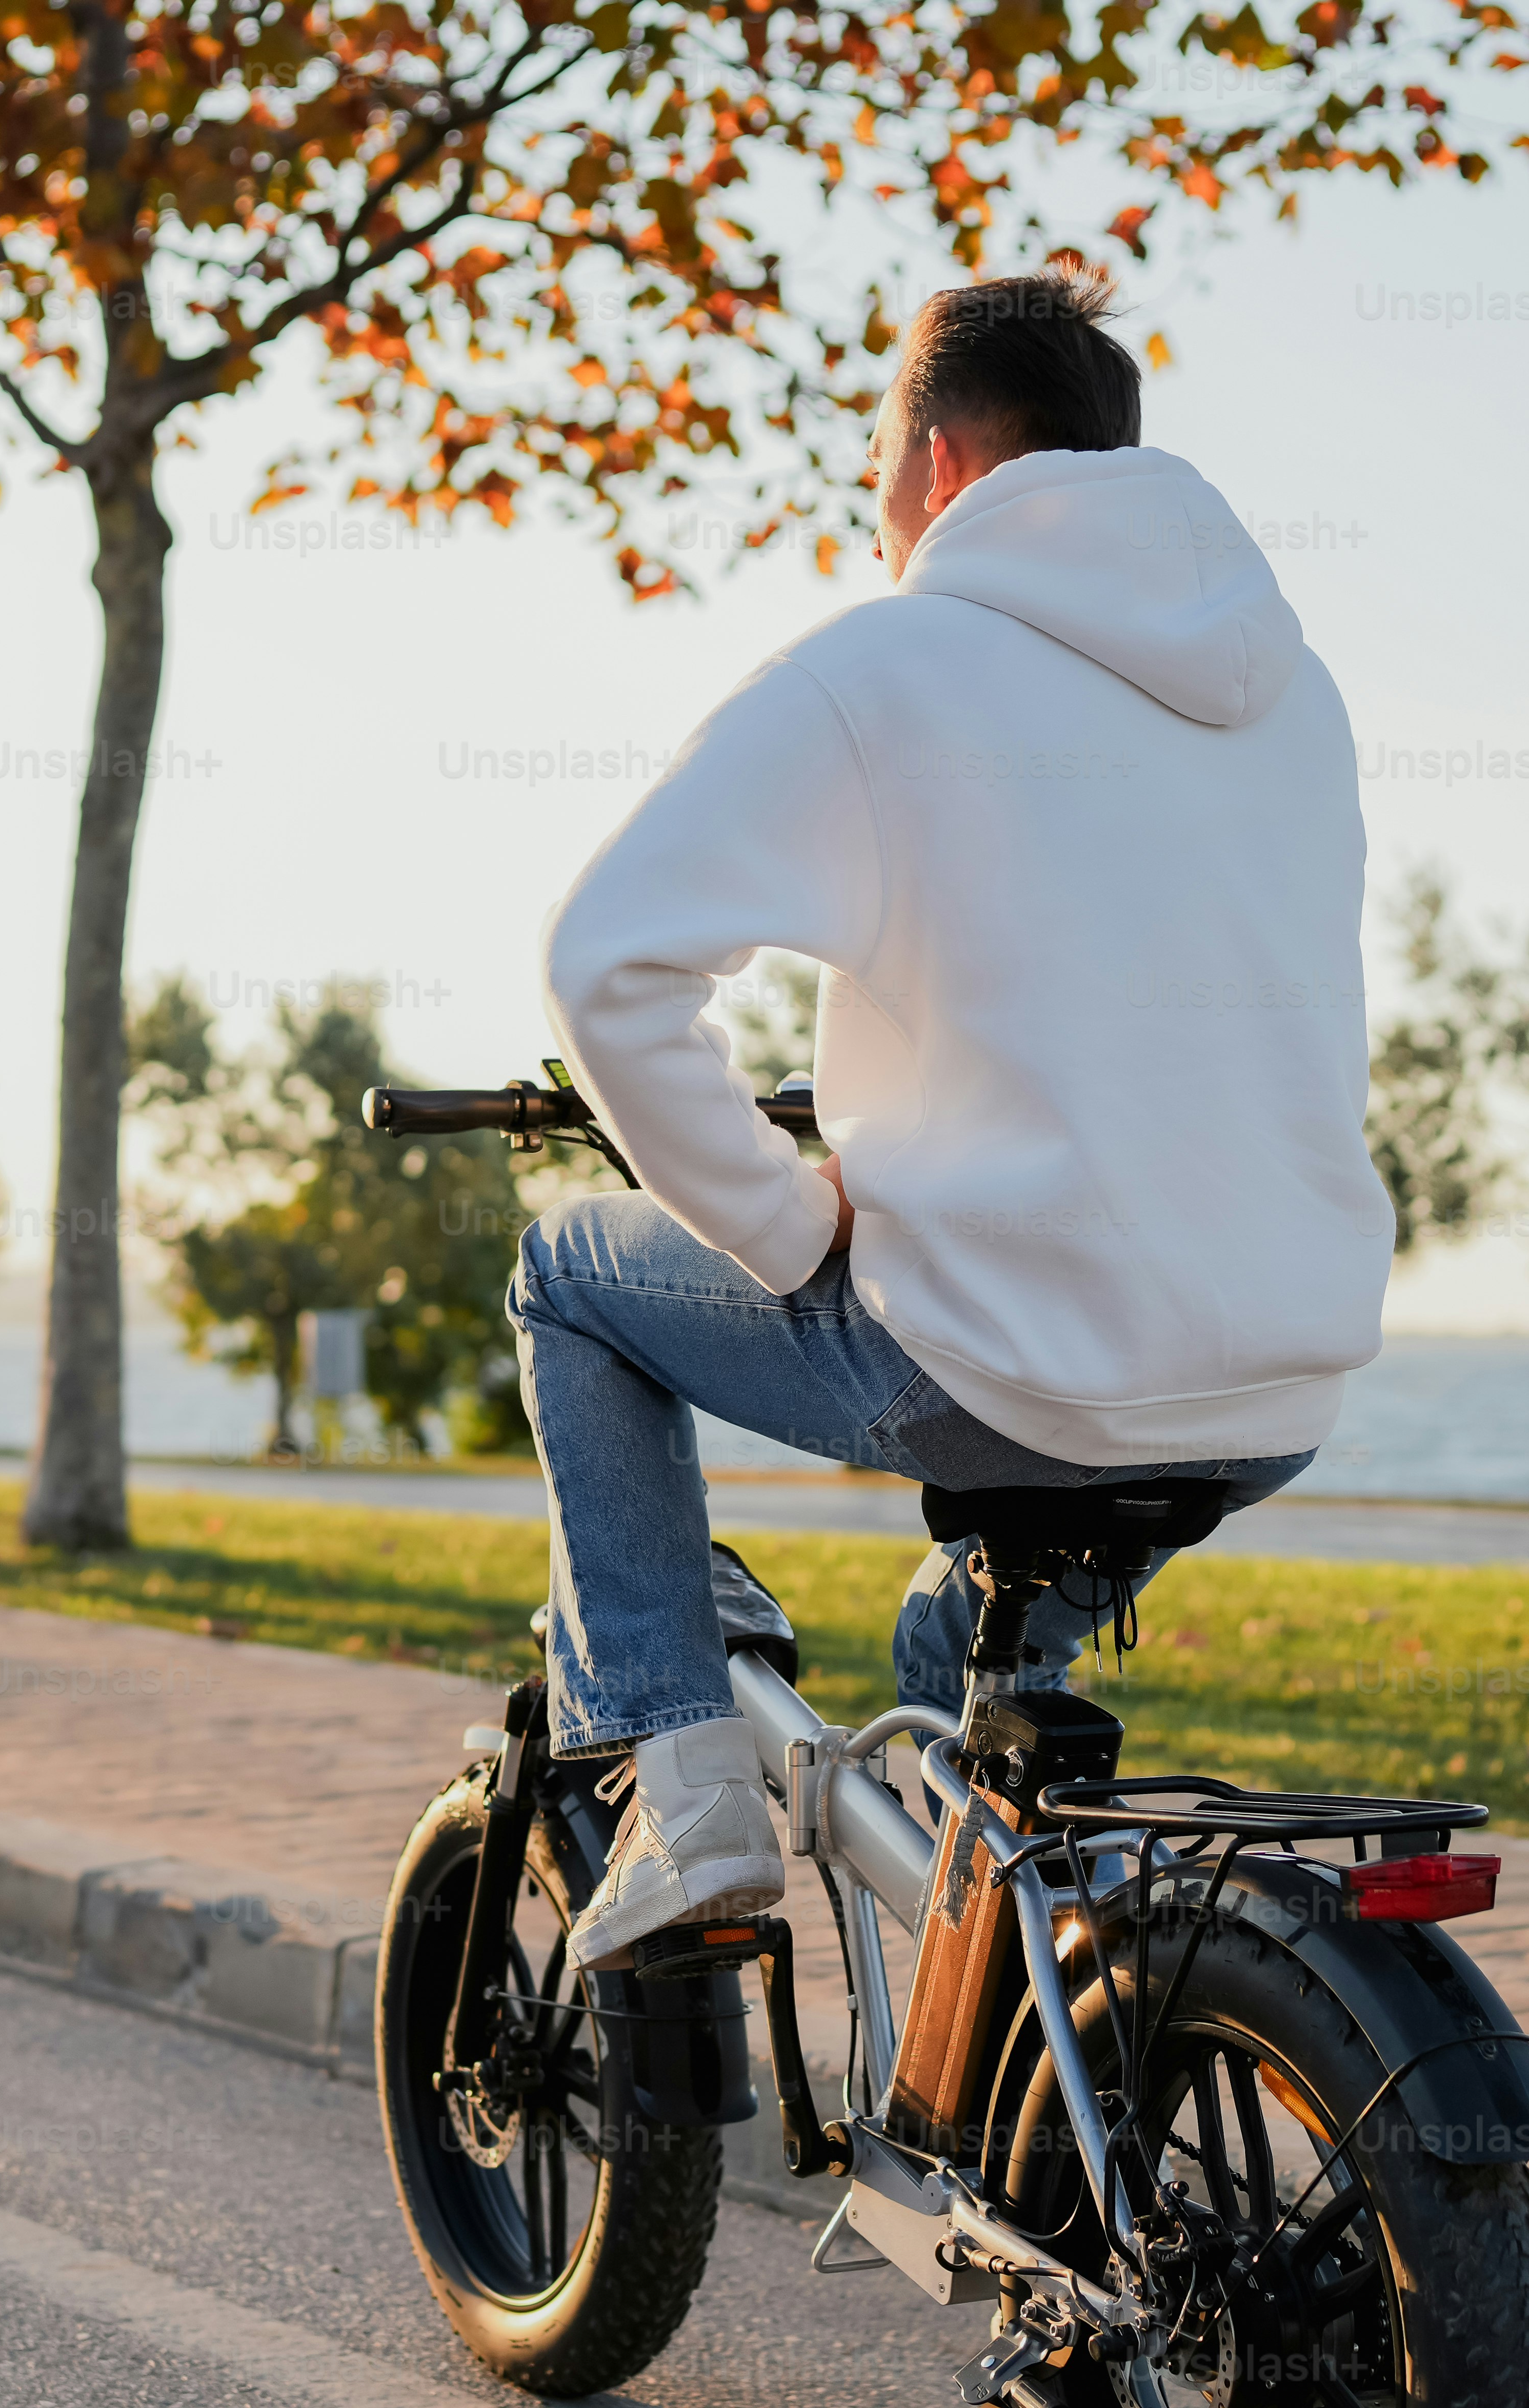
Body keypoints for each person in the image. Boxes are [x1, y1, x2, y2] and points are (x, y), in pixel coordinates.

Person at [517, 265, 1398, 1969]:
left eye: (871, 459)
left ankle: (680, 1780)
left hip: (1010, 1361)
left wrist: (782, 1221)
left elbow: (605, 964)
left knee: (569, 1270)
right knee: (961, 1671)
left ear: (932, 460)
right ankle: (1006, 2003)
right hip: (1276, 1383)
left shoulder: (893, 661)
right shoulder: (1293, 692)